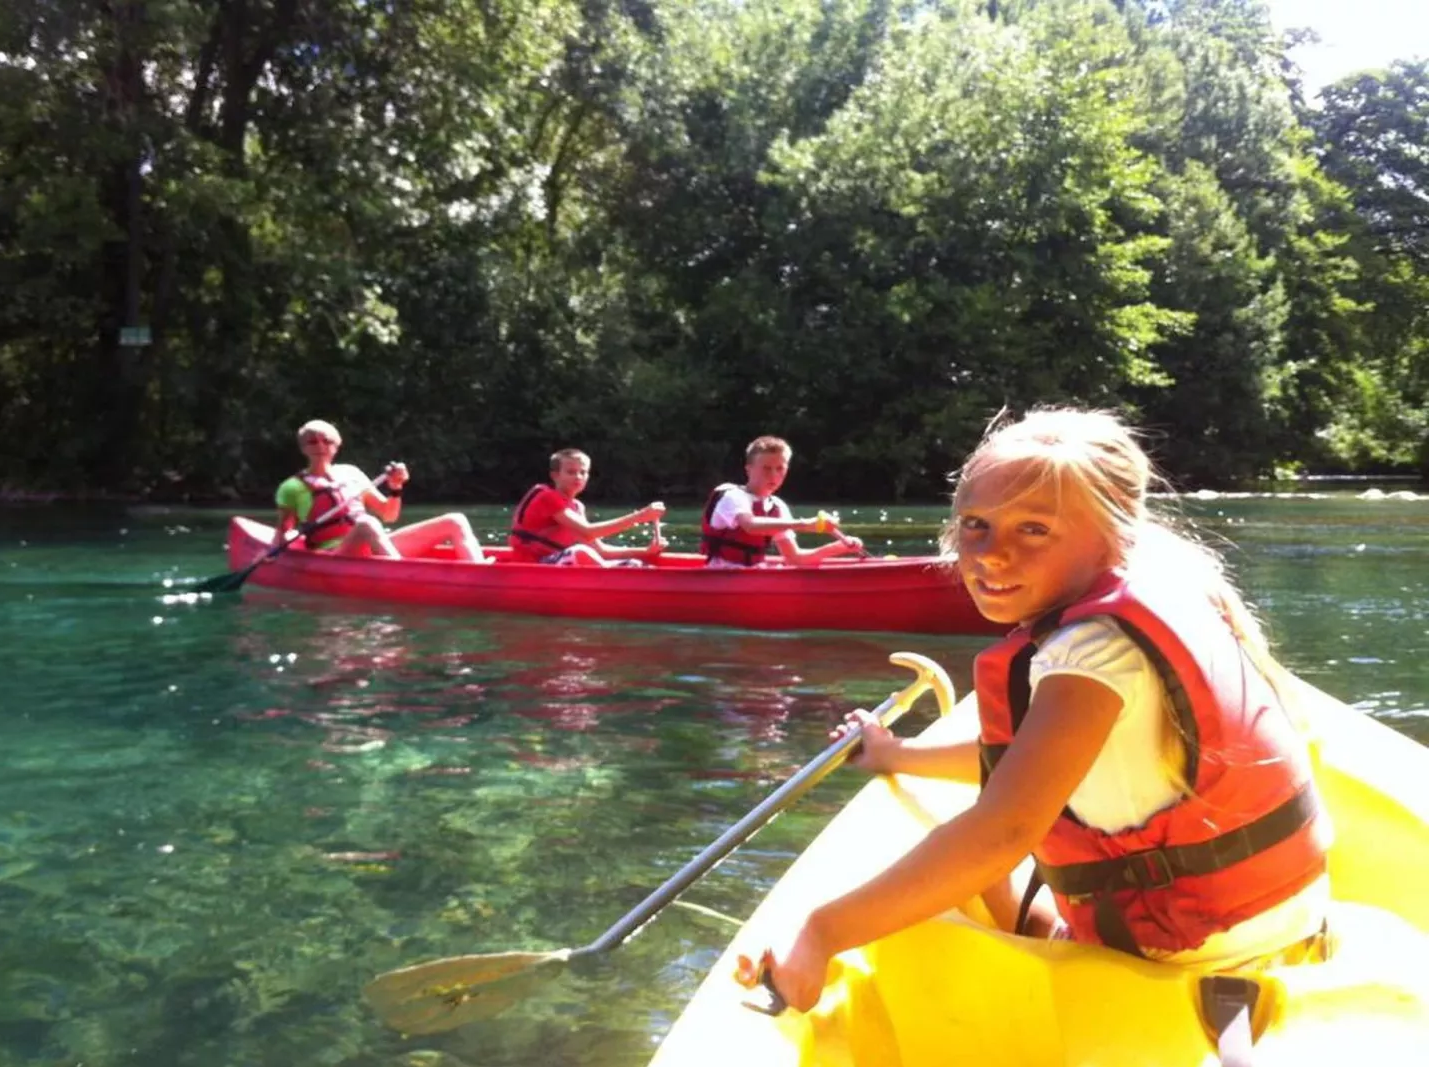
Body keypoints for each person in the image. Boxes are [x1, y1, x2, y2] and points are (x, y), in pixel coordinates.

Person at [739, 408, 1331, 1012]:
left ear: (1112, 529)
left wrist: (821, 933)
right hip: (1283, 908)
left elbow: (1007, 832)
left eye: (1034, 530)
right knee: (966, 842)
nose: (992, 555)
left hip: (1196, 938)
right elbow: (1047, 759)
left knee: (940, 894)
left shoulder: (1091, 652)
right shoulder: (1167, 580)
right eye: (976, 524)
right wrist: (898, 754)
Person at [273, 420, 487, 562]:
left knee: (455, 520)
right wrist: (281, 547)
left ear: (336, 445)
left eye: (326, 441)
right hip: (335, 554)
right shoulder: (291, 487)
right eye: (312, 441)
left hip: (373, 543)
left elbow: (389, 514)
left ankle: (480, 573)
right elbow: (283, 534)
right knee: (367, 523)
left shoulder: (351, 473)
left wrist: (396, 488)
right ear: (303, 448)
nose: (320, 446)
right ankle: (402, 576)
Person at [701, 436, 864, 567]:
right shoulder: (732, 495)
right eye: (766, 468)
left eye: (780, 469)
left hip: (754, 576)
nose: (773, 475)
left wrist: (838, 548)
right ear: (748, 469)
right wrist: (806, 524)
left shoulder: (777, 507)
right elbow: (751, 526)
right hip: (724, 576)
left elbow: (795, 559)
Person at [507, 448, 667, 566]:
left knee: (634, 564)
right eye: (571, 472)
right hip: (533, 566)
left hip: (556, 563)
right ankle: (614, 580)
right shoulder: (547, 496)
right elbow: (588, 532)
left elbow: (601, 550)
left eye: (583, 472)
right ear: (555, 476)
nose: (578, 477)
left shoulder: (577, 507)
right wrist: (640, 517)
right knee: (580, 552)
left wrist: (645, 551)